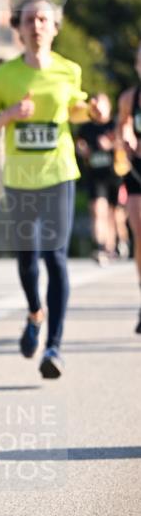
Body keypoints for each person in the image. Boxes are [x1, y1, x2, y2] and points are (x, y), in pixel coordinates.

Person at [0, 0, 109, 378]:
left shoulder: (69, 70)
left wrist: (95, 111)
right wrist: (10, 114)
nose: (36, 26)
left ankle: (54, 347)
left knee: (56, 258)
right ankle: (36, 312)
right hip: (20, 180)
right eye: (29, 20)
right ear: (18, 29)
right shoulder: (5, 76)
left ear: (54, 28)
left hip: (59, 174)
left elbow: (75, 109)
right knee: (27, 259)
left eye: (43, 19)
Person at [75, 93, 119, 264]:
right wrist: (82, 150)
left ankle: (111, 247)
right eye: (96, 107)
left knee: (113, 213)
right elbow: (78, 145)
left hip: (115, 175)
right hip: (95, 175)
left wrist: (111, 144)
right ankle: (100, 247)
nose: (99, 110)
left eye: (102, 106)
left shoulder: (115, 124)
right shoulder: (86, 128)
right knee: (97, 210)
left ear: (109, 107)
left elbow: (127, 141)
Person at [116, 42, 141, 333]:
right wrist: (125, 137)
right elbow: (121, 126)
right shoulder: (129, 98)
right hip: (137, 169)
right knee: (139, 231)